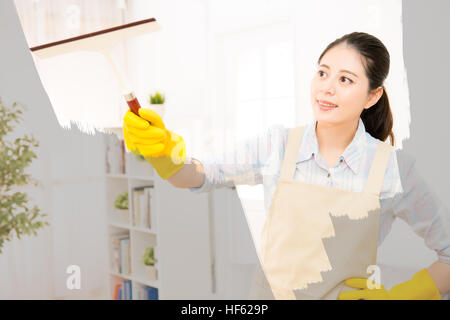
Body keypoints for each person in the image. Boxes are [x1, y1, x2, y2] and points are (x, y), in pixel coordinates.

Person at [122, 32, 450, 299]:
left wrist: (402, 296)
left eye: (346, 80)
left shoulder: (393, 169)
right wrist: (165, 155)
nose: (327, 87)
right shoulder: (276, 146)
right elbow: (200, 174)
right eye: (322, 73)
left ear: (372, 96)